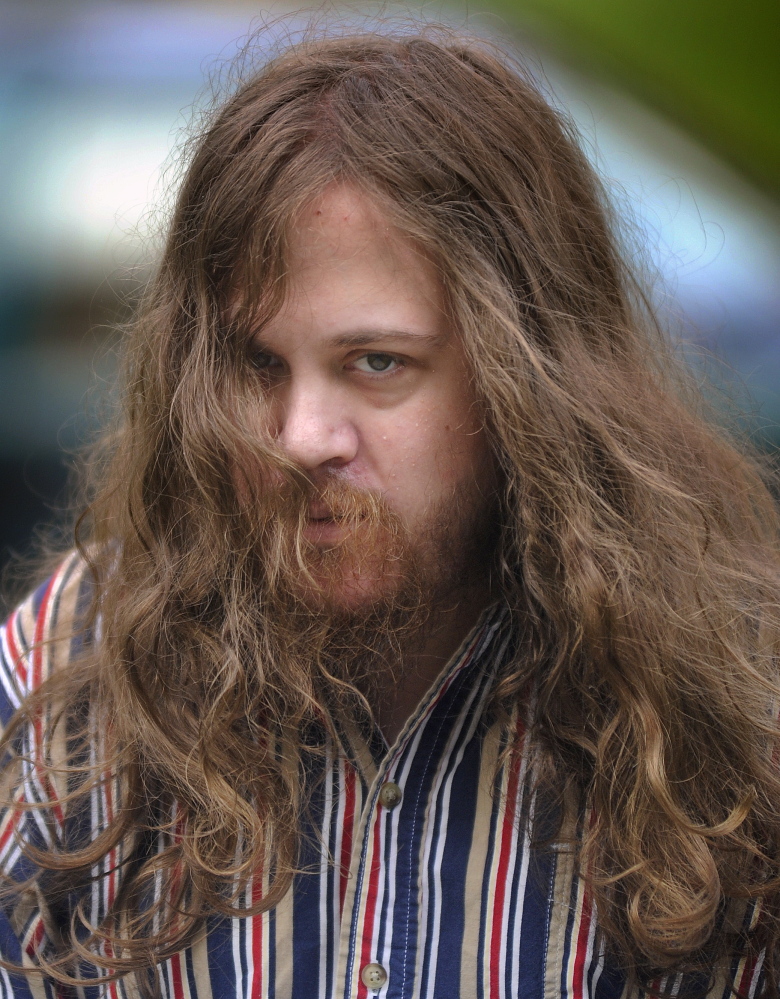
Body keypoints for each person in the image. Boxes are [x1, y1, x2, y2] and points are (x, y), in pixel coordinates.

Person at [0, 26, 778, 999]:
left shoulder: (725, 707)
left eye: (377, 364)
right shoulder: (72, 668)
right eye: (257, 364)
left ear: (524, 382)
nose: (299, 434)